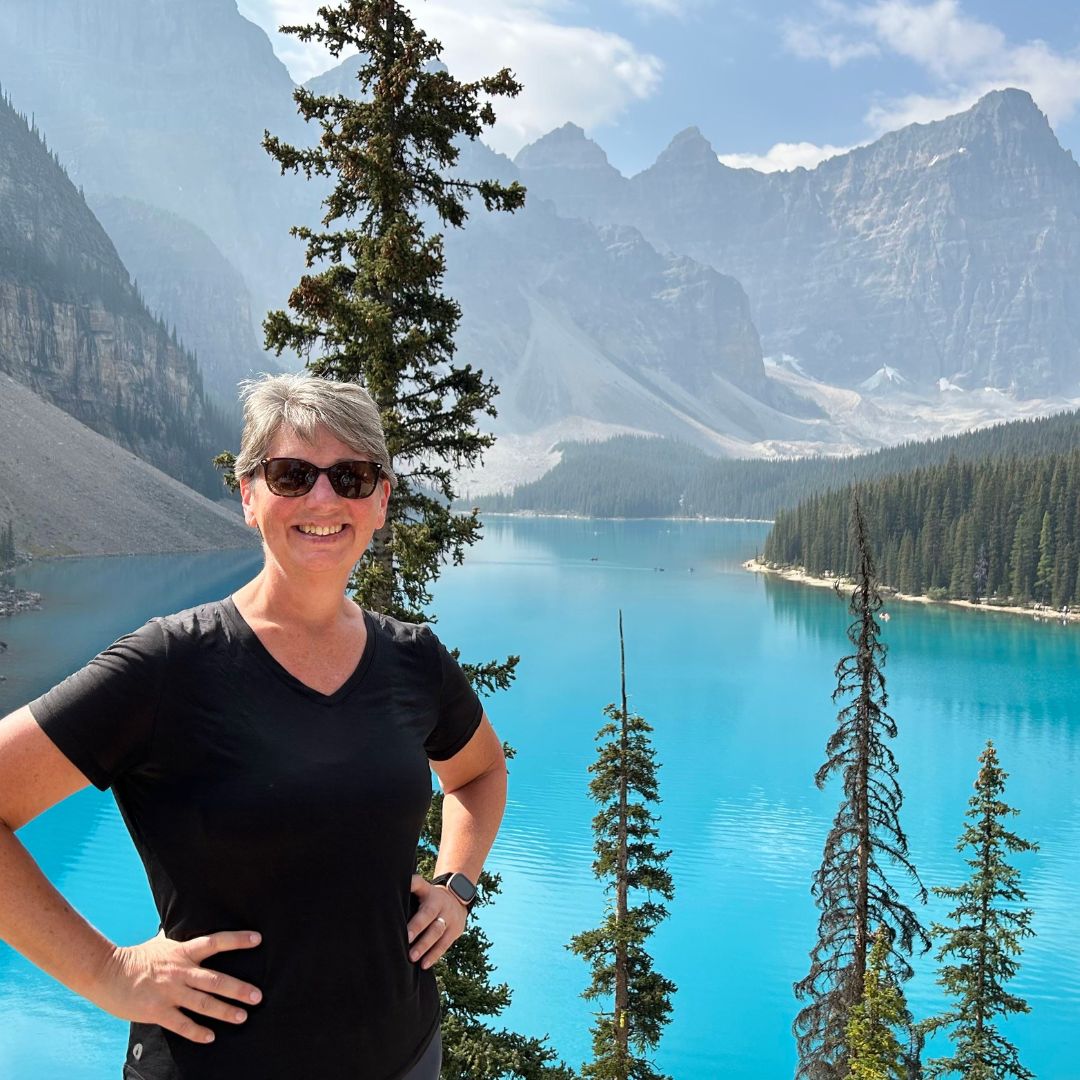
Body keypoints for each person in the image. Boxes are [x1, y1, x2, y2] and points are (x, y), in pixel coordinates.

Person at [0, 373, 507, 1079]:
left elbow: (479, 772)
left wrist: (456, 886)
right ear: (248, 495)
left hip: (404, 1056)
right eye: (292, 474)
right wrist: (108, 971)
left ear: (381, 500)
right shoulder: (170, 663)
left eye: (352, 476)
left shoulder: (412, 659)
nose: (323, 499)